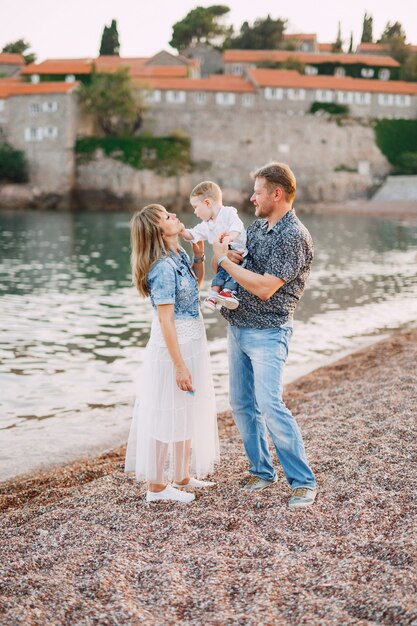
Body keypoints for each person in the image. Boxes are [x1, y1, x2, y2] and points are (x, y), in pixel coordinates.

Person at [212, 162, 317, 509]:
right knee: (242, 404)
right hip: (237, 327)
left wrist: (225, 264)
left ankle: (303, 482)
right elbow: (244, 267)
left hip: (269, 332)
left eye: (257, 191)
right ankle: (262, 471)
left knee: (271, 405)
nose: (251, 197)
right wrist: (229, 256)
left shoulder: (294, 236)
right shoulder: (257, 229)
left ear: (277, 193)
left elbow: (265, 288)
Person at [125, 204, 219, 504]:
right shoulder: (162, 267)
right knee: (165, 410)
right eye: (167, 217)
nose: (175, 216)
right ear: (158, 231)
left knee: (185, 407)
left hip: (192, 341)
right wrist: (179, 366)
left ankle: (181, 476)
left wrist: (199, 254)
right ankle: (156, 487)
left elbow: (193, 288)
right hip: (172, 349)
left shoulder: (176, 256)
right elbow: (166, 319)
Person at [181, 181, 247, 312]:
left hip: (240, 252)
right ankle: (214, 295)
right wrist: (182, 232)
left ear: (207, 203)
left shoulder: (228, 213)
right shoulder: (207, 224)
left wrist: (230, 237)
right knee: (220, 274)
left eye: (195, 207)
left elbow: (237, 226)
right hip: (223, 256)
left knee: (233, 273)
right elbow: (194, 233)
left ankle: (228, 292)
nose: (195, 212)